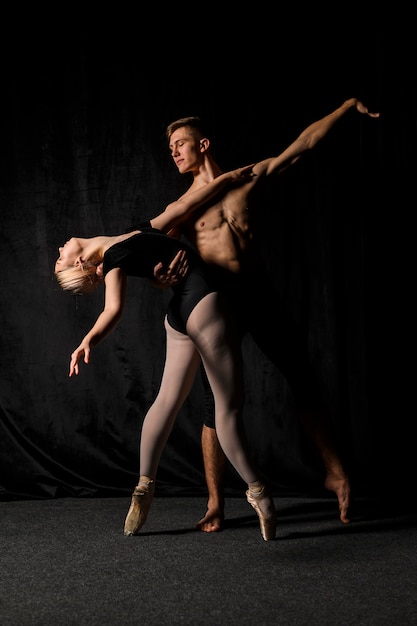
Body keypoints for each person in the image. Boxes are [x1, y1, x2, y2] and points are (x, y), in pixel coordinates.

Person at [154, 98, 380, 532]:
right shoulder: (184, 206)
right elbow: (154, 255)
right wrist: (164, 275)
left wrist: (348, 106)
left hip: (258, 292)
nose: (175, 153)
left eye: (181, 144)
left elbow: (303, 145)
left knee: (301, 374)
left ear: (203, 144)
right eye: (171, 149)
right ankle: (216, 502)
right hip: (218, 302)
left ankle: (335, 471)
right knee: (212, 401)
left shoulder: (244, 180)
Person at [54, 164, 278, 541]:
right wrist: (89, 339)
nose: (59, 249)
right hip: (201, 303)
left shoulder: (130, 236)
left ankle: (144, 486)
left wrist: (223, 180)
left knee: (166, 401)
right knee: (228, 409)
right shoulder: (112, 260)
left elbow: (181, 206)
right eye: (60, 258)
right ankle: (259, 494)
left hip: (179, 312)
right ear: (80, 263)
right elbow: (113, 310)